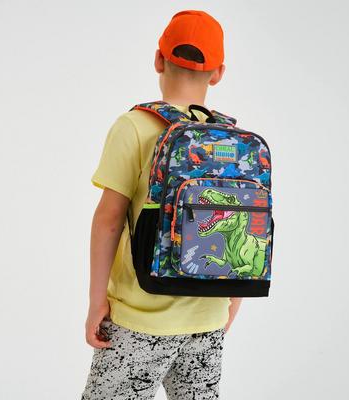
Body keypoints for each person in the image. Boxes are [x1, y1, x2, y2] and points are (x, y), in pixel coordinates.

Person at [81, 9, 242, 400]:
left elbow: (108, 221)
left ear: (158, 59)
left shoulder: (135, 126)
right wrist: (232, 302)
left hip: (139, 318)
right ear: (218, 73)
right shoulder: (232, 139)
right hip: (208, 319)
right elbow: (242, 219)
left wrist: (96, 301)